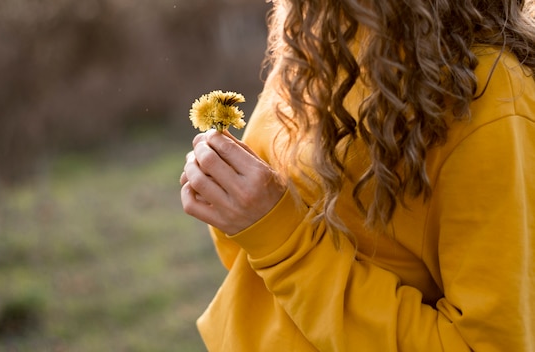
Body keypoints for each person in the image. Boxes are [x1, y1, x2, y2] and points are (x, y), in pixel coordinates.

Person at [180, 0, 535, 350]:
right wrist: (230, 196)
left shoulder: (487, 99)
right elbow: (253, 262)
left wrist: (282, 241)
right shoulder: (315, 33)